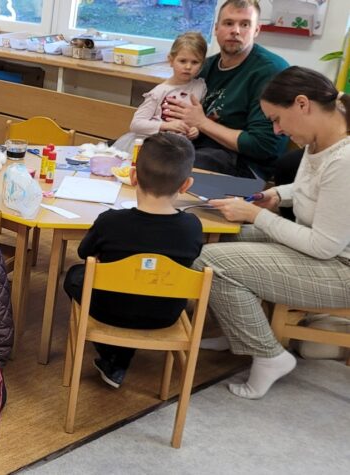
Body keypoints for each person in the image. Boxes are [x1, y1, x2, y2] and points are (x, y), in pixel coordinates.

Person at [194, 66, 350, 399]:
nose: (277, 130)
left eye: (277, 120)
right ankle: (237, 329)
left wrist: (256, 215)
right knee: (217, 237)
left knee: (212, 262)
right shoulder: (322, 138)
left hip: (341, 270)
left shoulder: (345, 160)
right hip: (322, 251)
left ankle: (270, 356)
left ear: (303, 104)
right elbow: (315, 187)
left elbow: (323, 246)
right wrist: (278, 195)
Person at [62, 133, 204, 388]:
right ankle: (118, 358)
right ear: (186, 185)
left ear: (133, 176)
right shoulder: (192, 227)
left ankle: (115, 354)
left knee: (74, 275)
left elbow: (84, 253)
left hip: (109, 311)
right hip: (165, 314)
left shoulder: (110, 221)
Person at [165, 0, 288, 179]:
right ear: (216, 28)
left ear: (256, 30)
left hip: (244, 165)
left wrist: (202, 123)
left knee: (174, 166)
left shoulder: (270, 71)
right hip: (197, 146)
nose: (235, 30)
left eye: (245, 24)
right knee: (148, 148)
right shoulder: (205, 67)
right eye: (228, 23)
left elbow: (263, 146)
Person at [114, 32, 207, 151]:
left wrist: (195, 130)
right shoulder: (159, 92)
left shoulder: (200, 87)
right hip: (153, 148)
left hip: (179, 149)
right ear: (171, 60)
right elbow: (136, 124)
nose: (188, 67)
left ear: (202, 64)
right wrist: (166, 125)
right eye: (182, 61)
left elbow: (198, 117)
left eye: (195, 62)